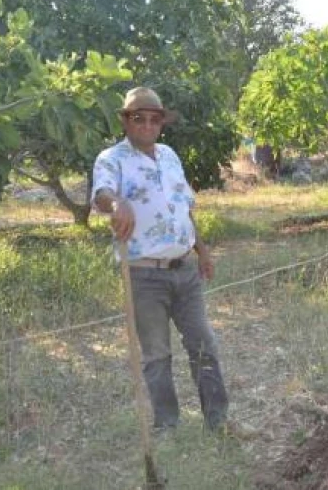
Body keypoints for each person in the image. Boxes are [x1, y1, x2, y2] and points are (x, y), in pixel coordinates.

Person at [91, 87, 245, 437]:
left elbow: (184, 207)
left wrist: (201, 250)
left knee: (204, 345)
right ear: (126, 121)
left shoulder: (170, 156)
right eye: (138, 118)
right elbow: (101, 195)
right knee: (157, 355)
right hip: (144, 274)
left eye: (153, 119)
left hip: (185, 270)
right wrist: (117, 203)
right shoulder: (111, 159)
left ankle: (218, 420)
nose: (146, 124)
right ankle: (167, 426)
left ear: (161, 122)